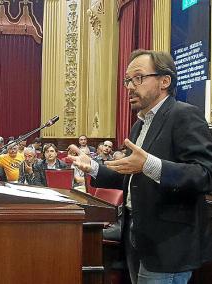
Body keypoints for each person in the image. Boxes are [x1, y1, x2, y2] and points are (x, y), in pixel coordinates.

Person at [69, 49, 212, 284]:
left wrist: (150, 164)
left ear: (164, 81)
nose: (130, 86)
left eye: (138, 78)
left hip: (168, 245)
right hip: (137, 238)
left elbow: (204, 175)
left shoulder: (184, 115)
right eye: (128, 80)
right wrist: (93, 167)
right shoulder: (139, 126)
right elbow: (128, 177)